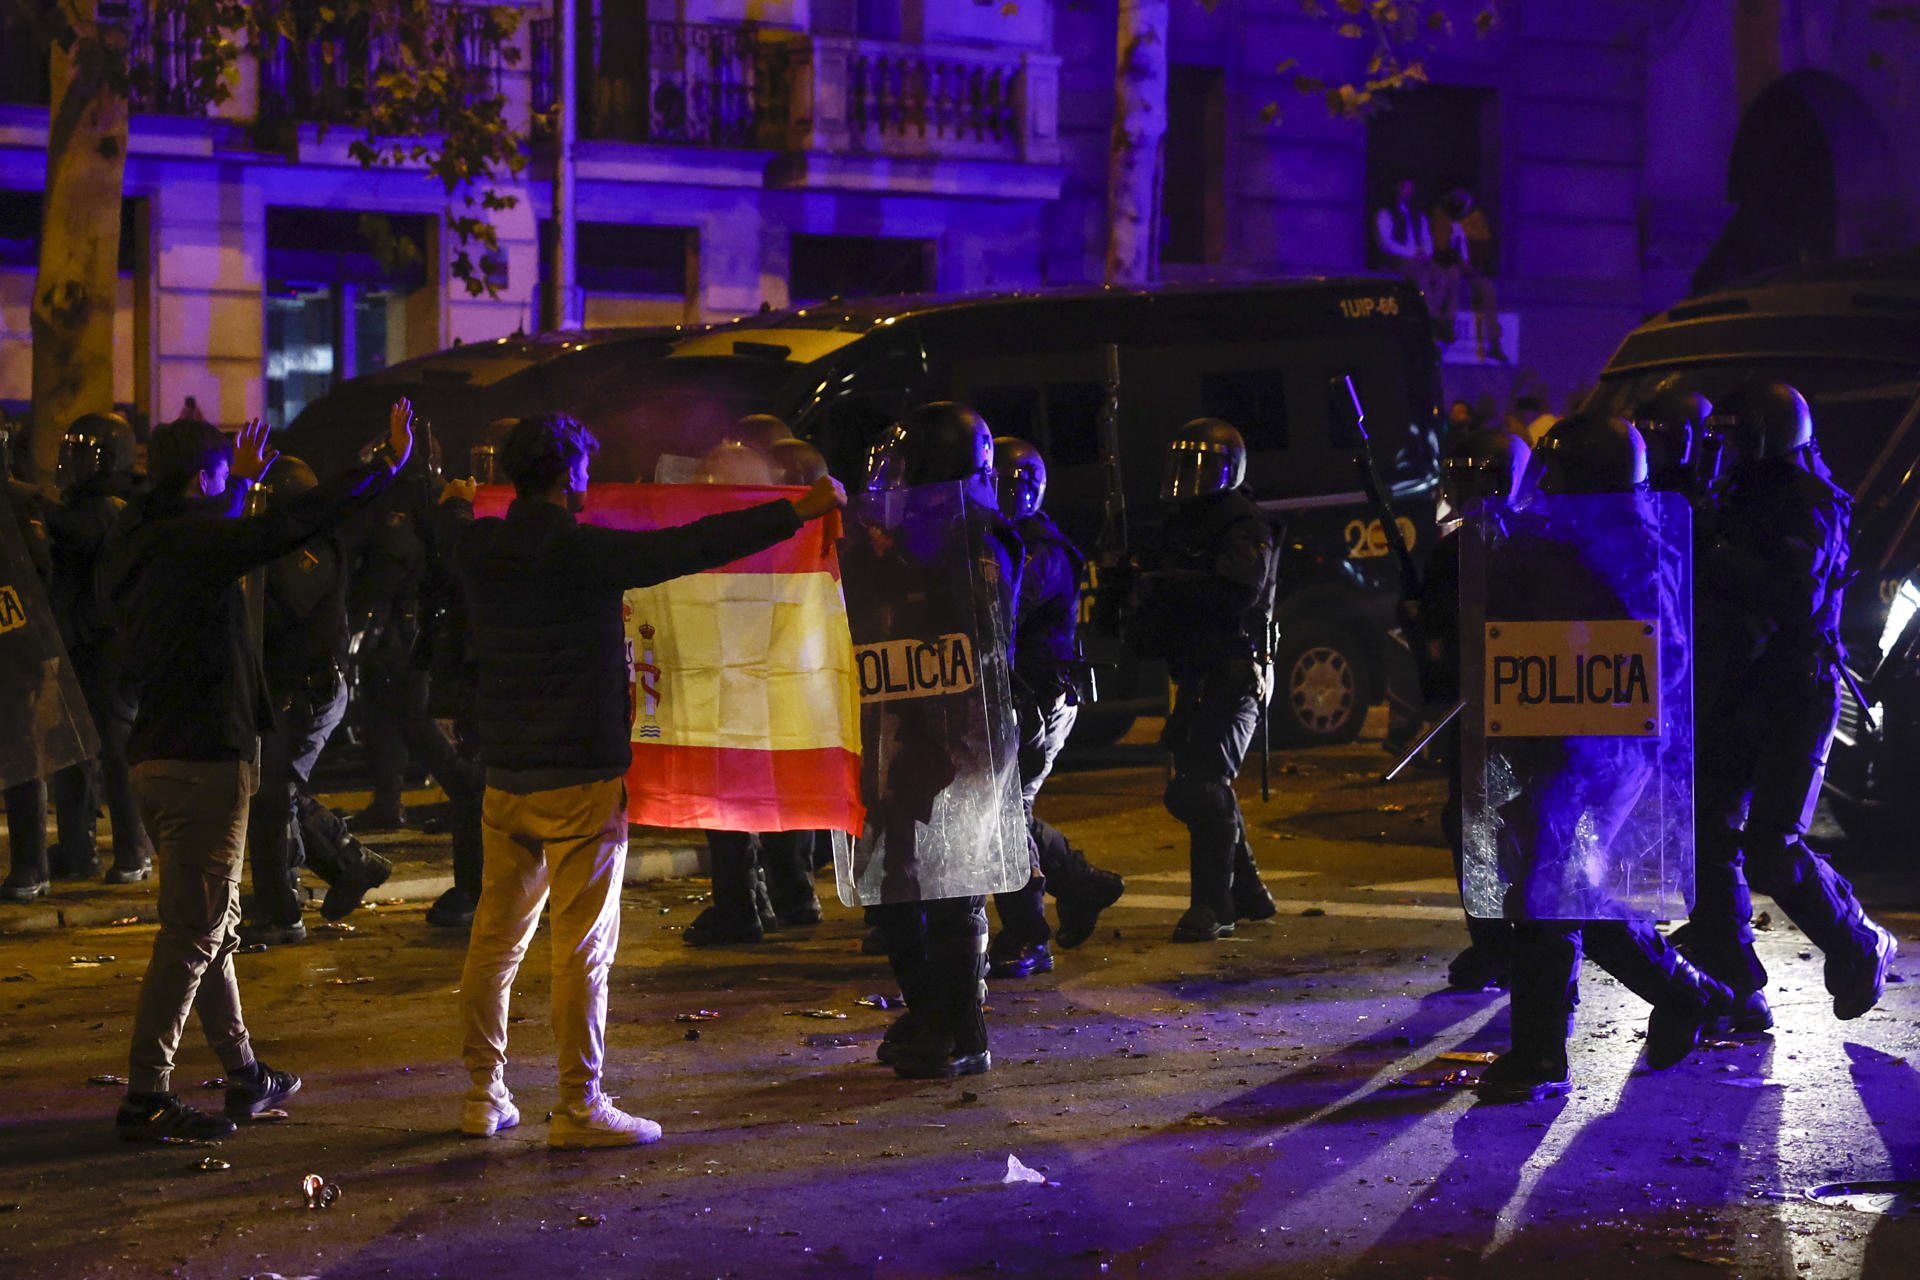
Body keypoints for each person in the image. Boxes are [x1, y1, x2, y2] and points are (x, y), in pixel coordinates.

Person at [439, 412, 844, 1145]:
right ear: (568, 475)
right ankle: (579, 1105)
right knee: (581, 953)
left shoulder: (478, 545)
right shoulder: (584, 550)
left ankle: (482, 1094)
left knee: (494, 945)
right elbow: (694, 543)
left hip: (505, 777)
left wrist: (452, 498)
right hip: (582, 781)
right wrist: (797, 511)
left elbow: (442, 522)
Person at [100, 406, 415, 1142]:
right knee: (193, 933)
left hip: (156, 756)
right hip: (204, 760)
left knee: (212, 924)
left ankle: (245, 1073)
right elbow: (292, 523)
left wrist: (233, 487)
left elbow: (234, 533)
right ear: (202, 479)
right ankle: (146, 1095)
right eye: (224, 475)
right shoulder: (196, 545)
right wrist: (380, 466)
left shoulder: (138, 543)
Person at [1474, 413, 1733, 1103]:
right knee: (1561, 887)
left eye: (1559, 476)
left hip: (1606, 745)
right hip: (1562, 737)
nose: (1547, 488)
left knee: (1549, 888)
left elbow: (1661, 657)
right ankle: (1685, 992)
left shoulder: (1636, 551)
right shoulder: (1567, 538)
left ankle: (1541, 1056)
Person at [1678, 383, 1897, 1035]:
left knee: (1771, 847)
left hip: (1796, 692)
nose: (1726, 448)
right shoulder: (1730, 495)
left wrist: (1716, 545)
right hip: (1738, 685)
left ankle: (1859, 941)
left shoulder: (1813, 502)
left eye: (1737, 436)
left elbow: (1795, 597)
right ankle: (1734, 982)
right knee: (1707, 834)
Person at [859, 401, 1022, 1079]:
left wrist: (897, 568)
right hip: (908, 728)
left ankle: (963, 1031)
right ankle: (930, 1011)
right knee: (891, 884)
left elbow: (974, 632)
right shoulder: (914, 537)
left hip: (963, 736)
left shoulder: (979, 539)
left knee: (954, 886)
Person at [1131, 419, 1281, 943]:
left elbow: (1236, 593)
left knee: (1200, 787)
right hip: (1198, 672)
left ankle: (1214, 904)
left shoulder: (1243, 523)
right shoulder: (1184, 523)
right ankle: (1250, 892)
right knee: (1197, 782)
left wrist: (1166, 587)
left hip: (1236, 672)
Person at [239, 457, 394, 947]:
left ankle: (282, 910)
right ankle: (351, 865)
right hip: (286, 688)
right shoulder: (288, 545)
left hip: (309, 690)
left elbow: (284, 613)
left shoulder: (310, 549)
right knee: (271, 792)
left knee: (270, 796)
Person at [985, 436, 1125, 977]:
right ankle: (1080, 883)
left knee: (1003, 817)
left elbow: (1001, 609)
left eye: (1001, 482)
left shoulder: (1041, 549)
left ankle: (1029, 937)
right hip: (1014, 697)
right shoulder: (1000, 538)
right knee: (1005, 809)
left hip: (1038, 701)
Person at [1421, 427, 1528, 991]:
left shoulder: (1535, 546)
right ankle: (1491, 943)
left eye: (1477, 479)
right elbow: (1435, 644)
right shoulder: (1451, 551)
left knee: (1525, 826)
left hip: (1527, 710)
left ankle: (1531, 944)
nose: (1466, 492)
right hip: (1472, 709)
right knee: (1466, 824)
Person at [46, 412, 152, 885]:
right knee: (69, 750)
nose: (71, 462)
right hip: (79, 642)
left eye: (81, 453)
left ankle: (133, 851)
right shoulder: (84, 503)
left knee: (114, 752)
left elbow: (82, 534)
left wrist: (26, 500)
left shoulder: (115, 504)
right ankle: (76, 850)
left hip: (110, 646)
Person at [1431, 187, 1506, 362]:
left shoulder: (1475, 219)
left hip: (1470, 268)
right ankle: (1443, 330)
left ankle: (1494, 342)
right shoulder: (1441, 217)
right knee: (1450, 279)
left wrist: (1474, 264)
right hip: (1446, 266)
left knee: (1487, 289)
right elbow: (1439, 249)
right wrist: (1458, 260)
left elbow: (1484, 247)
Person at [1375, 177, 1448, 339]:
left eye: (1410, 188)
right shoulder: (1385, 213)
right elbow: (1386, 242)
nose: (1407, 191)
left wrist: (1425, 252)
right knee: (1422, 277)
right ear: (1396, 189)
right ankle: (1430, 319)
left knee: (1441, 276)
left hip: (1420, 256)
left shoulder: (1418, 214)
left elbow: (1427, 237)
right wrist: (1411, 252)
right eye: (1404, 188)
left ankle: (1432, 314)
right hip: (1398, 257)